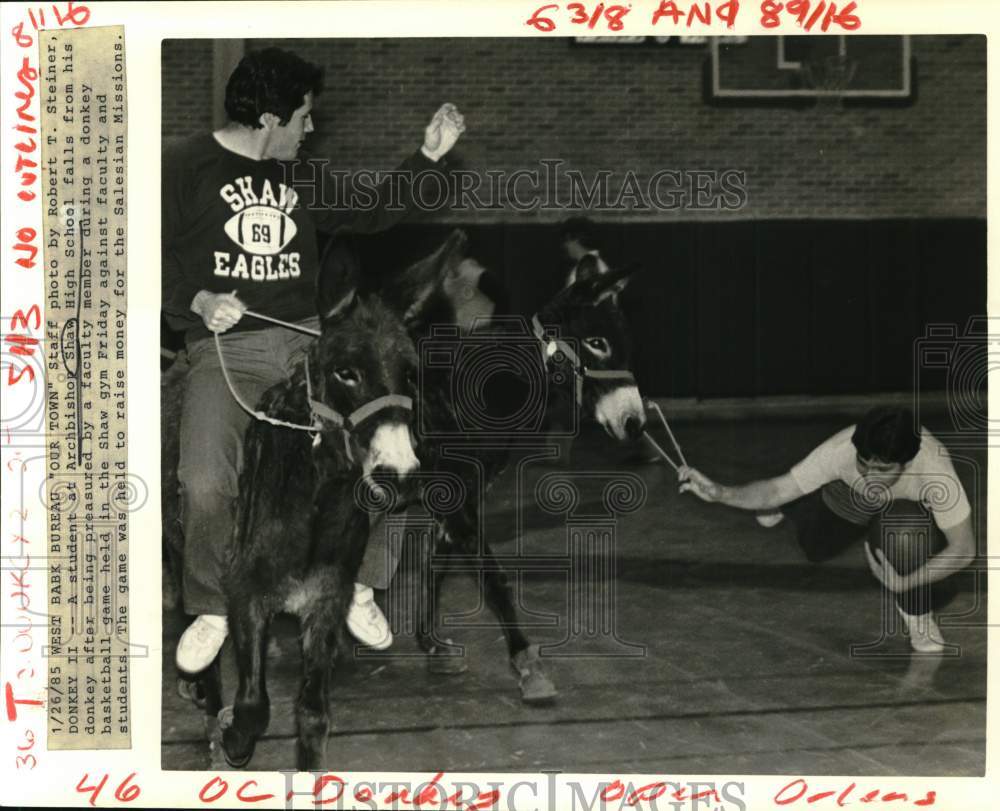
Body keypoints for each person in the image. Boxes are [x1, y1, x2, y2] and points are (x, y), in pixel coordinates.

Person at [162, 47, 465, 674]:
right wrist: (194, 298)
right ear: (270, 117)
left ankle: (358, 582)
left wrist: (428, 156)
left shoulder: (301, 175)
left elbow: (375, 211)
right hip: (227, 354)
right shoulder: (182, 166)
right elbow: (131, 254)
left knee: (387, 446)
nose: (310, 129)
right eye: (303, 117)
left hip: (306, 348)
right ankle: (213, 604)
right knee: (205, 480)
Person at [679, 406, 975, 653]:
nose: (871, 476)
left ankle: (917, 614)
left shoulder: (936, 471)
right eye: (863, 465)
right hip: (852, 497)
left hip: (907, 513)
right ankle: (796, 505)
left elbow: (963, 549)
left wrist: (907, 584)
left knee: (906, 532)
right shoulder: (841, 450)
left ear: (907, 462)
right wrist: (721, 493)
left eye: (883, 470)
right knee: (816, 548)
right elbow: (776, 488)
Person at [559, 216, 609, 289]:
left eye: (565, 241)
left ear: (575, 240)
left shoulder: (589, 266)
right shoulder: (596, 264)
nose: (564, 246)